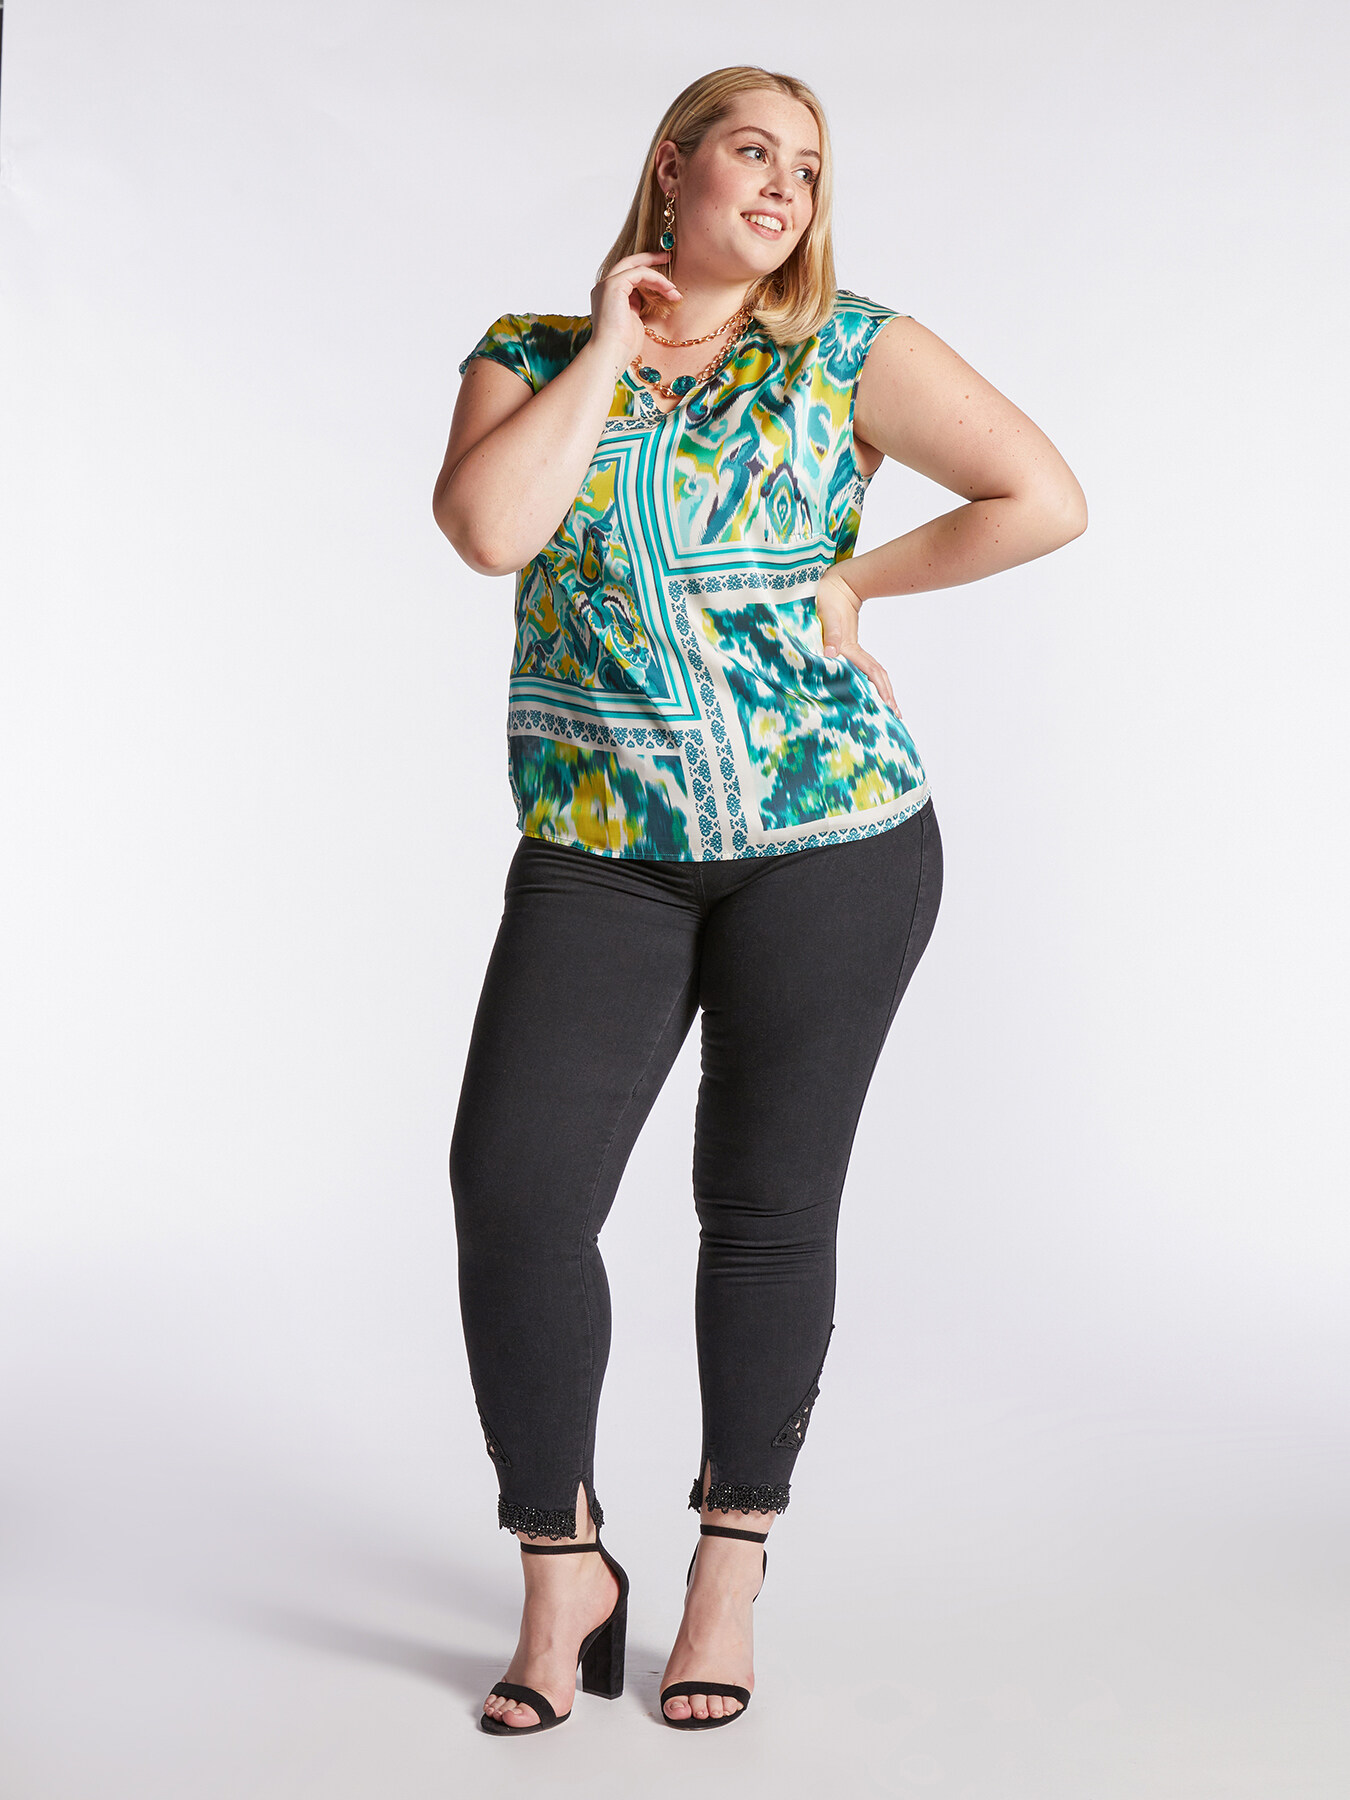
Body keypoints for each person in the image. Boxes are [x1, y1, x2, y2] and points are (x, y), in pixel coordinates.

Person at [432, 64, 1087, 1737]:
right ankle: (562, 1570)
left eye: (808, 163)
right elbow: (490, 531)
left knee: (766, 1206)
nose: (786, 185)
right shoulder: (526, 354)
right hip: (602, 844)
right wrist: (610, 338)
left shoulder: (850, 349)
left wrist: (857, 581)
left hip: (835, 838)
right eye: (751, 149)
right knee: (515, 1195)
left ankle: (727, 1573)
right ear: (673, 169)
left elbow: (1043, 497)